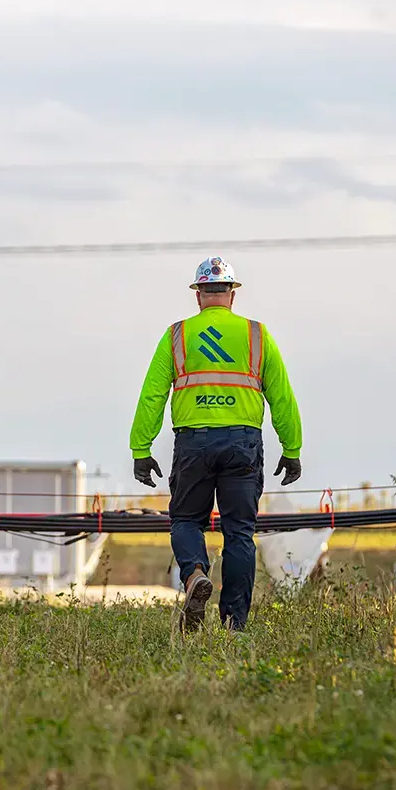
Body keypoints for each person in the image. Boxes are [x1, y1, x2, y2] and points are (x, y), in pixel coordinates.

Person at [129, 257, 303, 631]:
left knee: (186, 520)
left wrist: (141, 450)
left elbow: (151, 397)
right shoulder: (257, 335)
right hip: (243, 442)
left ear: (198, 296)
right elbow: (283, 397)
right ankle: (233, 626)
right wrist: (292, 448)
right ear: (232, 295)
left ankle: (194, 575)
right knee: (239, 533)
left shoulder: (177, 335)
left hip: (194, 443)